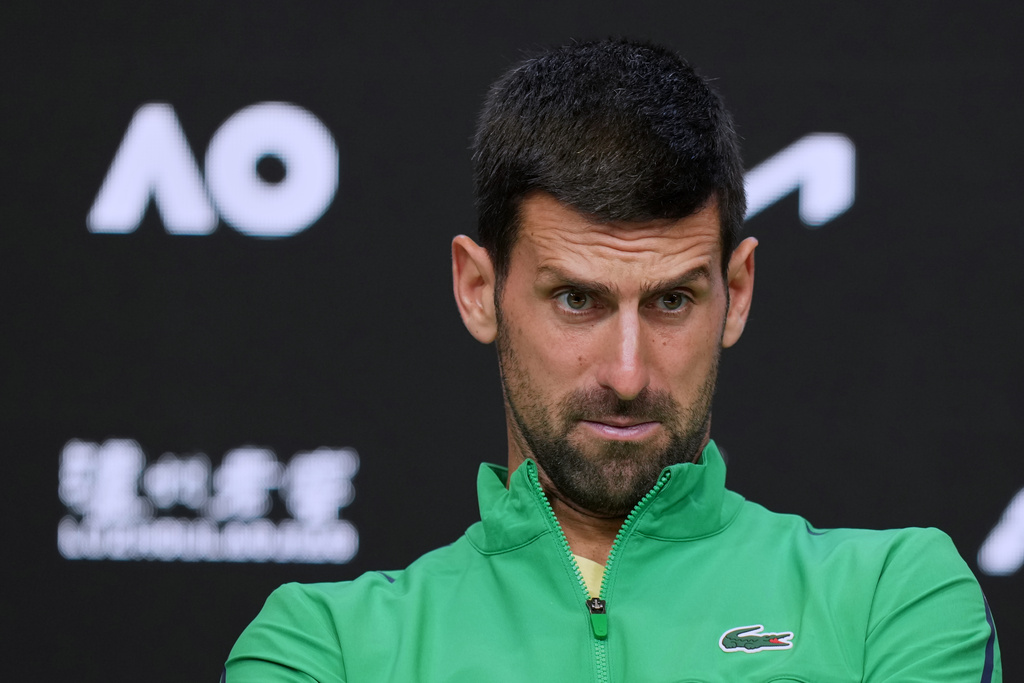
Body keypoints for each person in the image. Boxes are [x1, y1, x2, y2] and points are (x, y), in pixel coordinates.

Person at [224, 38, 1001, 681]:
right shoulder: (323, 646)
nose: (628, 375)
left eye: (671, 301)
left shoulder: (891, 597)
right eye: (577, 301)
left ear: (737, 290)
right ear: (478, 289)